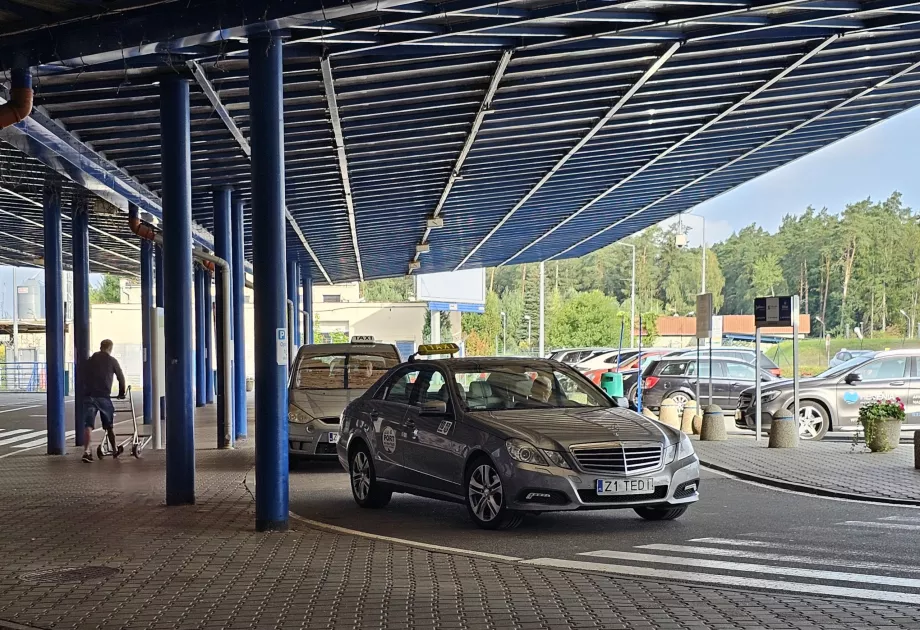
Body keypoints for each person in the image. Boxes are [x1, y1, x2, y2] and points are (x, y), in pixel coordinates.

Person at [82, 339, 126, 463]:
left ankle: (87, 452)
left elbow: (82, 374)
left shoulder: (90, 360)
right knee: (109, 426)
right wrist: (121, 393)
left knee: (88, 425)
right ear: (110, 348)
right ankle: (114, 449)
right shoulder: (112, 361)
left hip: (89, 396)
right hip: (103, 397)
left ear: (100, 347)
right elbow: (120, 377)